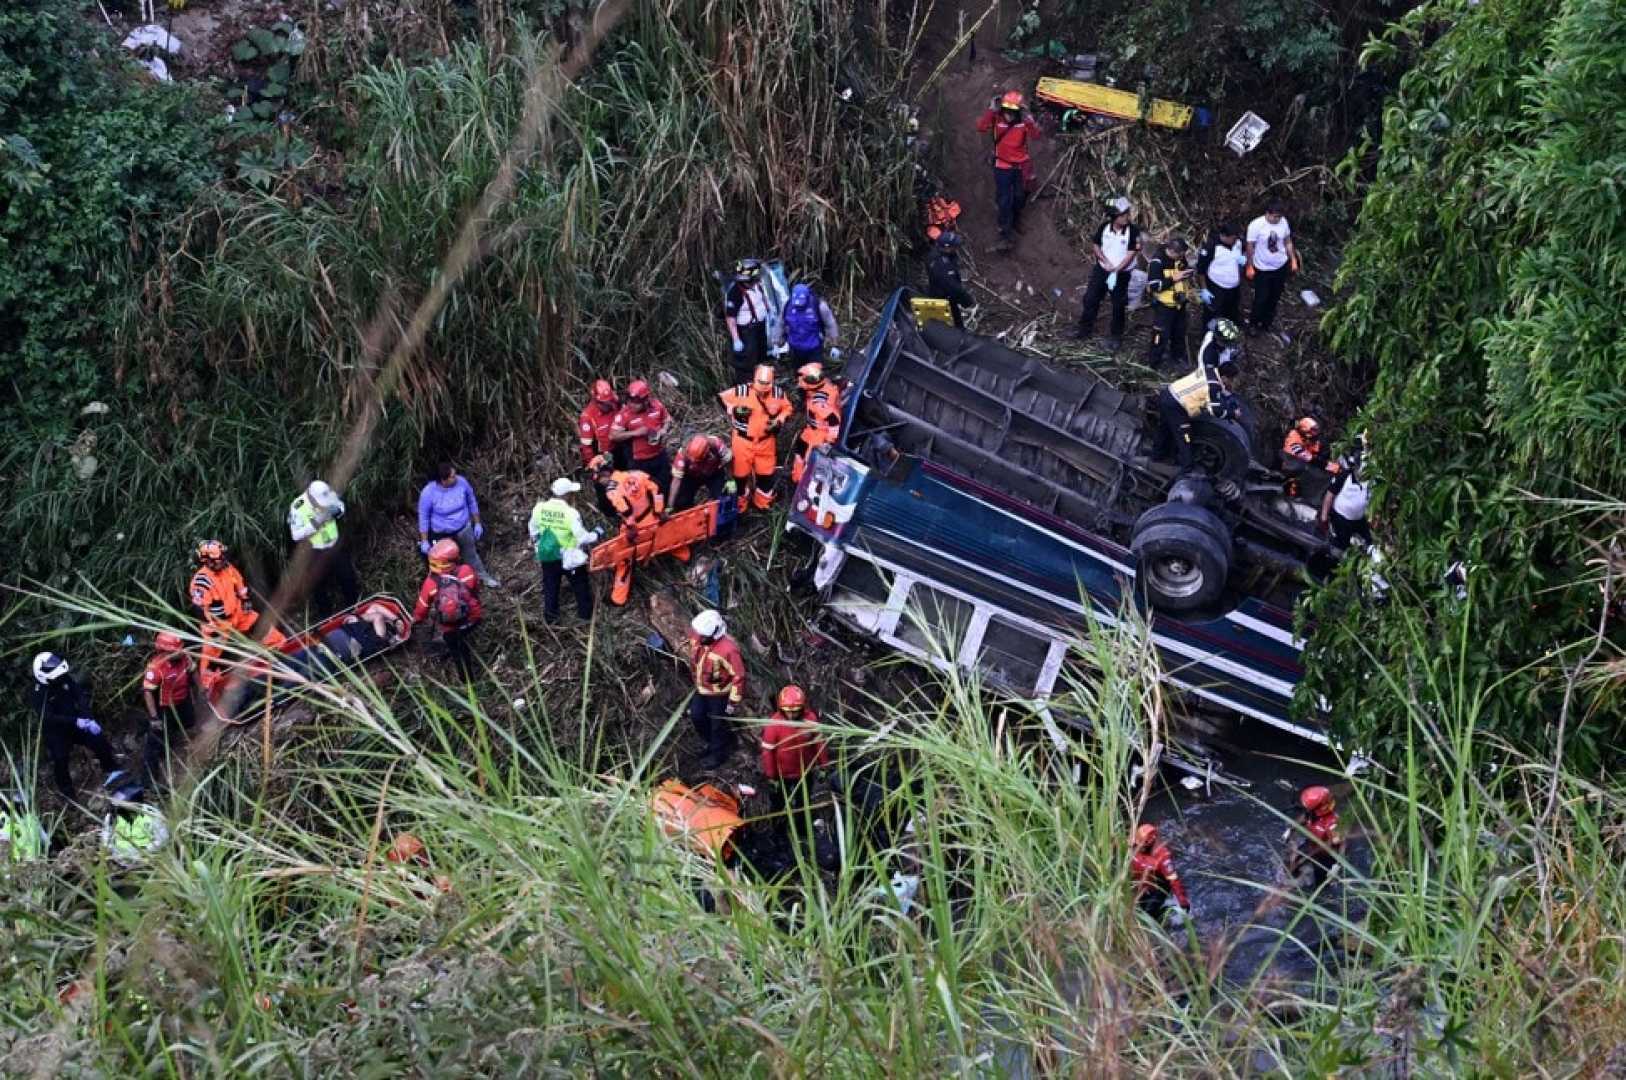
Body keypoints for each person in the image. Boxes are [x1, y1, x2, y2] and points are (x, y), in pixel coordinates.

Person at [190, 539, 287, 691]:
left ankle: (281, 656)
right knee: (212, 657)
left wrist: (245, 599)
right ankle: (210, 686)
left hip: (239, 613)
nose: (224, 561)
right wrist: (212, 627)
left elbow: (239, 583)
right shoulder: (202, 581)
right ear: (208, 561)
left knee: (267, 632)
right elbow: (198, 608)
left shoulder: (228, 568)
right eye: (220, 559)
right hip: (217, 624)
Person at [594, 455, 688, 607]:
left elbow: (625, 510)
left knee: (625, 560)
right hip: (652, 517)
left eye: (599, 479)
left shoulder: (612, 488)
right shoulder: (635, 474)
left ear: (604, 473)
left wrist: (631, 528)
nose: (600, 483)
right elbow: (656, 488)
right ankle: (685, 557)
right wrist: (659, 511)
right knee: (667, 538)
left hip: (636, 528)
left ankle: (618, 598)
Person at [30, 652, 125, 801]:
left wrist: (88, 718)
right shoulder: (39, 692)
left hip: (76, 722)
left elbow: (79, 695)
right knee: (60, 760)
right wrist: (75, 721)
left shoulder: (63, 678)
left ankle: (111, 768)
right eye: (56, 676)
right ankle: (67, 795)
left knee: (97, 739)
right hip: (56, 732)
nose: (60, 678)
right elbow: (48, 717)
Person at [719, 365, 792, 512]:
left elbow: (787, 408)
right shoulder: (741, 391)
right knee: (740, 477)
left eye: (767, 386)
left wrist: (779, 420)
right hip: (743, 441)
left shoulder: (778, 394)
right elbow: (721, 398)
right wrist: (734, 410)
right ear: (754, 381)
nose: (763, 390)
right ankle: (740, 507)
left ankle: (762, 504)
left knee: (766, 476)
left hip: (766, 442)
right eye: (760, 386)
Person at [1151, 350, 1240, 470]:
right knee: (1185, 436)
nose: (1232, 382)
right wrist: (1232, 414)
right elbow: (1216, 411)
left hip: (1168, 394)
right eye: (1231, 379)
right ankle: (1187, 469)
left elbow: (1214, 395)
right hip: (1175, 406)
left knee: (1165, 428)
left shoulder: (1209, 371)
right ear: (1224, 377)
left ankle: (1156, 456)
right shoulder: (1213, 386)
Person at [528, 477, 600, 623]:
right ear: (567, 495)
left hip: (548, 555)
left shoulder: (539, 508)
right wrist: (597, 534)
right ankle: (585, 617)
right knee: (580, 586)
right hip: (568, 557)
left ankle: (551, 619)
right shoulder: (570, 513)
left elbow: (533, 530)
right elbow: (582, 538)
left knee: (550, 586)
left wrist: (540, 544)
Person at [416, 463, 499, 590]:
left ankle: (484, 578)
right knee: (443, 563)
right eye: (452, 477)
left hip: (463, 527)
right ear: (444, 480)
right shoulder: (429, 493)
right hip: (441, 533)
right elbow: (424, 517)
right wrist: (424, 540)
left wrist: (477, 523)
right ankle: (445, 589)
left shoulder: (462, 483)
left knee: (471, 555)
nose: (456, 478)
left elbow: (471, 501)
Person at [411, 537, 484, 680]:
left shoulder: (430, 583)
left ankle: (466, 680)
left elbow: (422, 609)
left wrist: (415, 620)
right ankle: (470, 673)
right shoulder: (467, 571)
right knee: (462, 639)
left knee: (457, 651)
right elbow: (476, 589)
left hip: (450, 627)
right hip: (473, 618)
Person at [975, 90, 1041, 247]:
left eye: (1012, 112)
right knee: (1004, 200)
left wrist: (1030, 121)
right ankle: (1005, 233)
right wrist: (991, 110)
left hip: (1020, 166)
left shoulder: (1024, 123)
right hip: (1002, 166)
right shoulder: (997, 119)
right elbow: (981, 127)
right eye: (1006, 111)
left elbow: (1036, 136)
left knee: (1019, 197)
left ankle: (1015, 219)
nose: (1009, 115)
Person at [1074, 197, 1141, 347]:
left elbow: (1131, 254)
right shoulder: (1104, 227)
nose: (1126, 217)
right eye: (1123, 215)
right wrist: (1104, 261)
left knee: (1118, 304)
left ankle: (1115, 336)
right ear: (1114, 217)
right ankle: (1084, 330)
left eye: (1127, 214)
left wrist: (1117, 269)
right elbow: (1096, 245)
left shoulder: (1133, 231)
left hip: (1121, 274)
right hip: (1102, 269)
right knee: (1090, 298)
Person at [759, 685, 831, 826]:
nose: (791, 715)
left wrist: (824, 766)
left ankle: (802, 829)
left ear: (802, 707)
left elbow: (819, 744)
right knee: (778, 802)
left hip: (805, 772)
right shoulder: (774, 725)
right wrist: (771, 776)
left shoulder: (810, 720)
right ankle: (777, 829)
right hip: (781, 775)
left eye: (795, 711)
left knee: (803, 802)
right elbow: (768, 753)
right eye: (788, 712)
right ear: (780, 709)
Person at [287, 478, 359, 611]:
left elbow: (341, 506)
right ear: (311, 497)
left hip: (335, 545)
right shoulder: (298, 506)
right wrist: (315, 523)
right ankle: (326, 615)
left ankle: (354, 607)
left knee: (347, 576)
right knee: (318, 585)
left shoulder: (328, 494)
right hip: (315, 551)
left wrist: (335, 512)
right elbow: (295, 535)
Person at [688, 609, 746, 768]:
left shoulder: (728, 650)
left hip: (719, 694)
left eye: (703, 636)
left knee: (717, 724)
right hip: (701, 689)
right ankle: (712, 743)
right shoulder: (698, 637)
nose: (699, 638)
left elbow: (738, 676)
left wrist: (732, 702)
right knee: (697, 716)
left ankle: (718, 754)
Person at [141, 631, 195, 787]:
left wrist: (202, 691)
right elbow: (148, 693)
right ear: (165, 652)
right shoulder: (156, 668)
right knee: (155, 740)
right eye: (175, 650)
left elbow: (193, 672)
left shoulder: (185, 657)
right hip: (164, 707)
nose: (180, 652)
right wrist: (154, 718)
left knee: (189, 722)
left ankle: (171, 739)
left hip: (182, 700)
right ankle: (148, 780)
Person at [609, 379, 673, 495]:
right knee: (643, 492)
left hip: (659, 455)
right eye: (630, 400)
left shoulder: (657, 406)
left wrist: (663, 431)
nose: (632, 404)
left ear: (645, 400)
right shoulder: (624, 414)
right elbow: (613, 436)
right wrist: (635, 433)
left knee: (665, 485)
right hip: (638, 460)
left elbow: (667, 420)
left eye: (636, 402)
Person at [1245, 200, 1298, 335]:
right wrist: (1249, 266)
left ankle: (1266, 322)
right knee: (1261, 297)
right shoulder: (1256, 225)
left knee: (1274, 296)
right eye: (1274, 216)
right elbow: (1250, 246)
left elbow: (1287, 241)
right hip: (1262, 267)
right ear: (1267, 214)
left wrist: (1293, 259)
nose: (1276, 219)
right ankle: (1253, 323)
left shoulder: (1283, 222)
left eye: (1278, 217)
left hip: (1280, 265)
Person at [1145, 237, 1197, 367]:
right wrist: (1174, 278)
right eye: (1180, 255)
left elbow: (1182, 272)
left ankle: (1177, 356)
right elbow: (1154, 286)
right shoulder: (1157, 262)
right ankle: (1154, 362)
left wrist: (1187, 274)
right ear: (1173, 251)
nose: (1182, 258)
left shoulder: (1180, 259)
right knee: (1160, 335)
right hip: (1164, 306)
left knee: (1179, 332)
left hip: (1180, 303)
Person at [791, 362, 843, 484]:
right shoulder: (827, 385)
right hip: (811, 431)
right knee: (800, 450)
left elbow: (834, 420)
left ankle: (801, 483)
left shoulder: (818, 402)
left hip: (820, 435)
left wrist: (829, 442)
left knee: (810, 463)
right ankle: (796, 478)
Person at [1129, 823, 1191, 921]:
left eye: (1143, 845)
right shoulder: (1134, 847)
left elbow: (1173, 880)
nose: (1139, 847)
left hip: (1158, 888)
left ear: (1150, 843)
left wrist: (1183, 902)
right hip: (1142, 886)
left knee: (1149, 914)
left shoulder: (1163, 857)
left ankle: (1165, 916)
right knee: (1140, 908)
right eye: (1138, 844)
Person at [724, 259, 772, 385]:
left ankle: (761, 379)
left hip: (760, 326)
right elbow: (730, 317)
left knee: (761, 354)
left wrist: (769, 312)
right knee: (746, 360)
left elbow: (762, 300)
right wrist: (736, 339)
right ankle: (745, 384)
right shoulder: (735, 293)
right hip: (746, 330)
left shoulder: (758, 285)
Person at [1288, 784, 1344, 889]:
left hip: (1326, 857)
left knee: (1320, 883)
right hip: (1311, 846)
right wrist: (1290, 830)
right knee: (1294, 860)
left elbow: (1341, 845)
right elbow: (1302, 820)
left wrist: (1336, 866)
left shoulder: (1332, 823)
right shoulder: (1310, 814)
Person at [578, 379, 621, 513]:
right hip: (602, 454)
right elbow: (586, 446)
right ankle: (610, 511)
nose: (609, 405)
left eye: (610, 401)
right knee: (604, 484)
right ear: (596, 401)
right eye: (605, 403)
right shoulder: (587, 417)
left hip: (620, 447)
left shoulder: (614, 401)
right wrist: (594, 466)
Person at [100, 788, 169, 867]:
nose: (118, 810)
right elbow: (106, 834)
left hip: (147, 862)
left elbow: (163, 838)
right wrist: (110, 849)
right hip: (121, 861)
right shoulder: (112, 816)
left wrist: (145, 851)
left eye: (121, 807)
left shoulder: (151, 815)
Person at [1320, 448, 1372, 550]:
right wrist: (1324, 518)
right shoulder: (1345, 476)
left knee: (1370, 541)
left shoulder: (1372, 482)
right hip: (1340, 518)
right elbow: (1329, 495)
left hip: (1359, 520)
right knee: (1342, 545)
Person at [780, 283, 841, 368]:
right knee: (799, 374)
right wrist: (778, 340)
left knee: (814, 375)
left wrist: (835, 343)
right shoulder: (787, 306)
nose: (799, 306)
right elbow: (781, 323)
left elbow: (830, 323)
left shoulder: (819, 306)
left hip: (813, 348)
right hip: (795, 348)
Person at [1196, 223, 1245, 324]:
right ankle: (1209, 335)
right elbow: (1201, 270)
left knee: (1231, 312)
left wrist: (1244, 259)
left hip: (1234, 287)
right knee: (1212, 314)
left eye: (1236, 238)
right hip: (1216, 286)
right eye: (1233, 238)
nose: (1235, 241)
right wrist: (1204, 289)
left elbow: (1245, 250)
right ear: (1224, 236)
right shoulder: (1211, 246)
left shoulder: (1238, 243)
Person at [668, 434, 734, 511]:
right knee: (681, 502)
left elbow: (728, 460)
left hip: (713, 473)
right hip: (692, 476)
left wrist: (730, 480)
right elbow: (676, 480)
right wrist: (670, 506)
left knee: (723, 498)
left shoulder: (717, 444)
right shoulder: (682, 454)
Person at [924, 231, 975, 329]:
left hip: (936, 292)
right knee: (952, 324)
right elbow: (953, 287)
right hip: (945, 299)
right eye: (954, 246)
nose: (956, 248)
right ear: (946, 248)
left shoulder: (932, 255)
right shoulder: (944, 265)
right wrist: (967, 301)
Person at [1281, 416, 1340, 497]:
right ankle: (1293, 492)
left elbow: (1316, 449)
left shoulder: (1307, 438)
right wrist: (1332, 467)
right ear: (1305, 431)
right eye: (1312, 431)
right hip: (1291, 465)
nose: (1315, 434)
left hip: (1301, 461)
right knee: (1311, 469)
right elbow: (1311, 459)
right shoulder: (1294, 441)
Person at [0, 789, 47, 863]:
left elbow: (45, 840)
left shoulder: (31, 818)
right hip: (18, 867)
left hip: (37, 863)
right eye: (19, 805)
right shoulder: (3, 822)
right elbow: (3, 852)